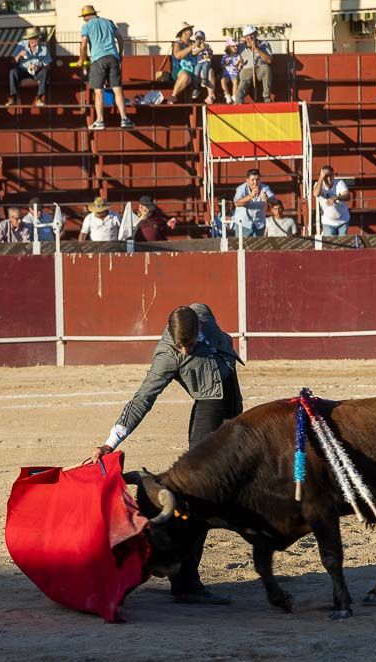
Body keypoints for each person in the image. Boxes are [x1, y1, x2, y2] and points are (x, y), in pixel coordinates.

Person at [83, 303, 244, 605]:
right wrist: (110, 443)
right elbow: (143, 398)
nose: (184, 352)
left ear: (199, 330)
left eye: (190, 345)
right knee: (199, 494)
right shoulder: (167, 356)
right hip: (209, 410)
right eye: (180, 346)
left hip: (233, 400)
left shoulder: (204, 314)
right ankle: (184, 580)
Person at [78, 5, 134, 130]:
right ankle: (124, 119)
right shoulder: (109, 22)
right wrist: (120, 54)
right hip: (113, 58)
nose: (84, 20)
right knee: (117, 89)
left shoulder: (86, 26)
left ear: (87, 16)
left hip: (98, 60)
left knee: (98, 91)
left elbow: (83, 45)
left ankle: (100, 121)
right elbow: (120, 39)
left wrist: (81, 59)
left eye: (84, 17)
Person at [7, 28, 50, 106]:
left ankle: (39, 98)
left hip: (36, 72)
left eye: (36, 37)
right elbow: (12, 62)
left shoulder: (44, 48)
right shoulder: (21, 45)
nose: (34, 40)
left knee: (44, 72)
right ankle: (13, 98)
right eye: (32, 38)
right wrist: (19, 55)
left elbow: (47, 66)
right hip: (23, 71)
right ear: (28, 39)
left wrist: (38, 67)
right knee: (13, 72)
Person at [234, 26, 272, 104]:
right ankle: (238, 100)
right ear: (244, 37)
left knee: (266, 68)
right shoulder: (240, 47)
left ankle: (266, 97)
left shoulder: (264, 44)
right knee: (243, 77)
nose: (251, 37)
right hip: (246, 70)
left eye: (252, 34)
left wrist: (256, 49)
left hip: (259, 69)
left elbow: (269, 60)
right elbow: (231, 54)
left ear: (256, 34)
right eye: (248, 35)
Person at [231, 168, 275, 237]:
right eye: (252, 180)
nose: (255, 182)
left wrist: (267, 199)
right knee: (242, 246)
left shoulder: (265, 188)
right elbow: (237, 203)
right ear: (247, 180)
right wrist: (250, 196)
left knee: (257, 247)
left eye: (257, 180)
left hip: (259, 224)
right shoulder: (241, 189)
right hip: (243, 224)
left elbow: (275, 201)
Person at [314, 165, 350, 236]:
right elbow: (316, 193)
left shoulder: (339, 183)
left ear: (333, 175)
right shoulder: (318, 185)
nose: (329, 178)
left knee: (342, 244)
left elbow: (348, 196)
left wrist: (336, 197)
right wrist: (321, 178)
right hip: (328, 222)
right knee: (330, 246)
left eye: (330, 175)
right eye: (326, 176)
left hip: (343, 220)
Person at [168, 23, 200, 104]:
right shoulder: (178, 44)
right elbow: (178, 55)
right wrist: (192, 47)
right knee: (186, 76)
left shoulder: (194, 43)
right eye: (189, 29)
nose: (192, 31)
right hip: (180, 69)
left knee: (209, 72)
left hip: (195, 69)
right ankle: (173, 96)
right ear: (184, 32)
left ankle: (211, 96)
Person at [192, 31, 216, 104]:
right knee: (196, 71)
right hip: (198, 63)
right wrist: (200, 49)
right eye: (198, 39)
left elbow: (211, 54)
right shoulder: (194, 46)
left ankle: (205, 83)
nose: (199, 40)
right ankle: (195, 89)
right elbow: (193, 53)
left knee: (207, 69)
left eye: (201, 38)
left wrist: (208, 54)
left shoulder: (207, 46)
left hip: (206, 61)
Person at [220, 38, 242, 103]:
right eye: (233, 46)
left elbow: (240, 66)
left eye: (236, 46)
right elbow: (222, 66)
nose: (235, 47)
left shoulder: (238, 56)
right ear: (228, 47)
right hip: (226, 74)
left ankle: (234, 96)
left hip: (234, 73)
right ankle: (227, 95)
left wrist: (240, 64)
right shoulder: (225, 56)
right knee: (222, 81)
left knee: (235, 81)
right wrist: (225, 64)